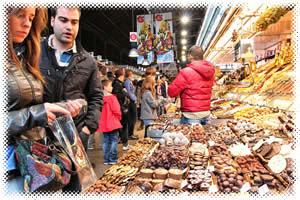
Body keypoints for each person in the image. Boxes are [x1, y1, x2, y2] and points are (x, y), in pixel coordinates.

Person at [6, 7, 82, 193]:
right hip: (10, 168)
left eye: (31, 18)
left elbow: (24, 104)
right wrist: (37, 114)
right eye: (19, 15)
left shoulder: (24, 57)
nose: (26, 24)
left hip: (33, 159)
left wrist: (58, 108)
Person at [39, 7, 103, 152]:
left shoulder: (88, 61)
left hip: (74, 137)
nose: (69, 27)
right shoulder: (35, 53)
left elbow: (97, 97)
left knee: (75, 175)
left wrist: (87, 130)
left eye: (74, 22)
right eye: (63, 20)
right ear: (52, 20)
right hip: (39, 138)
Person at [168, 45, 215, 125]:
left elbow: (171, 92)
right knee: (205, 137)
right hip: (206, 113)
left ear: (190, 56)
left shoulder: (185, 72)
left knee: (190, 137)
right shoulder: (210, 71)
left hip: (191, 115)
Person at [96, 80, 122, 165]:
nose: (112, 87)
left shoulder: (99, 98)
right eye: (110, 86)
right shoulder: (112, 98)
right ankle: (112, 158)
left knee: (106, 141)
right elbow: (116, 110)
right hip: (112, 122)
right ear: (105, 87)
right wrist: (119, 117)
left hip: (103, 123)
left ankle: (106, 159)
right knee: (114, 140)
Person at [88, 62, 107, 151]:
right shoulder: (103, 80)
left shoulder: (92, 78)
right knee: (100, 124)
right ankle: (100, 144)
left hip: (91, 103)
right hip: (99, 104)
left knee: (90, 123)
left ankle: (90, 144)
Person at [112, 69, 130, 151]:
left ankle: (124, 142)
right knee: (123, 126)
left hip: (119, 108)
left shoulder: (116, 83)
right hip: (121, 108)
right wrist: (124, 92)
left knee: (121, 127)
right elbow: (118, 96)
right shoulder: (117, 84)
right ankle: (125, 144)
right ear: (121, 75)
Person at [124, 70, 139, 140]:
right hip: (131, 102)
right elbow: (129, 93)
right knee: (132, 118)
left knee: (133, 118)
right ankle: (130, 134)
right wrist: (134, 99)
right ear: (129, 74)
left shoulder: (129, 81)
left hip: (132, 101)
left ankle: (131, 133)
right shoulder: (127, 82)